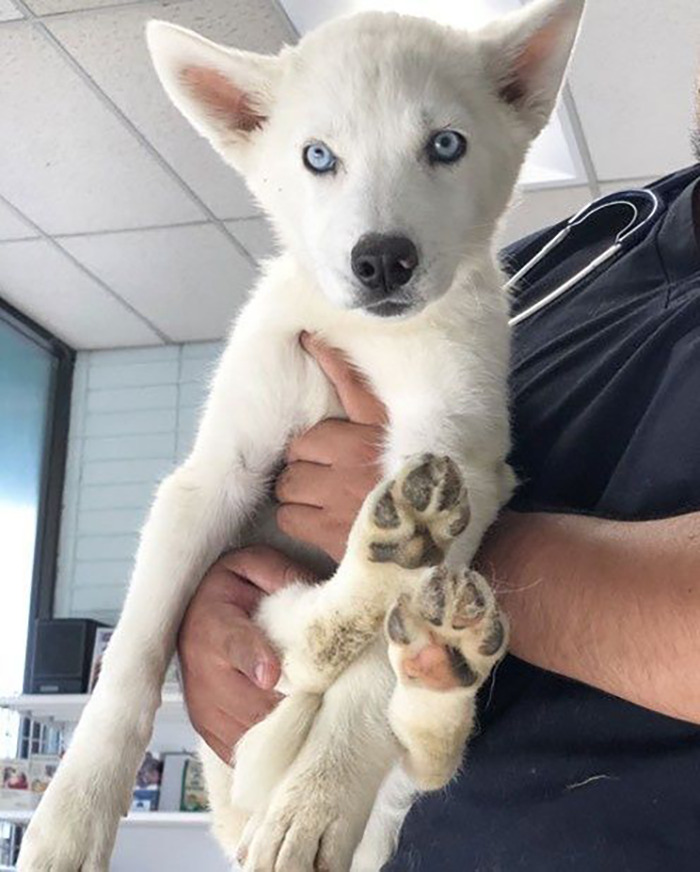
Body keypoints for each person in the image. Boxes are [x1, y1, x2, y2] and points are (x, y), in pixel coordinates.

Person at [178, 143, 700, 867]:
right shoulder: (585, 240)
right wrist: (226, 604)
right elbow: (308, 459)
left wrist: (431, 538)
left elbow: (381, 504)